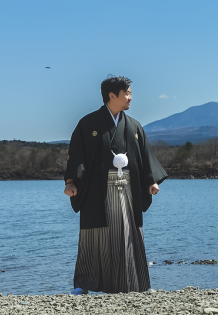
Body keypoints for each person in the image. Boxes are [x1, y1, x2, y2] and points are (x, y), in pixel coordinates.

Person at [64, 76, 167, 294]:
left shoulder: (134, 126)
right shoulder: (88, 124)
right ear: (112, 95)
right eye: (127, 93)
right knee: (95, 235)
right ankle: (85, 284)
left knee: (128, 234)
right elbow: (77, 155)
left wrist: (152, 180)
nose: (131, 97)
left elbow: (145, 156)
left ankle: (131, 283)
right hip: (96, 190)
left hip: (127, 189)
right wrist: (71, 181)